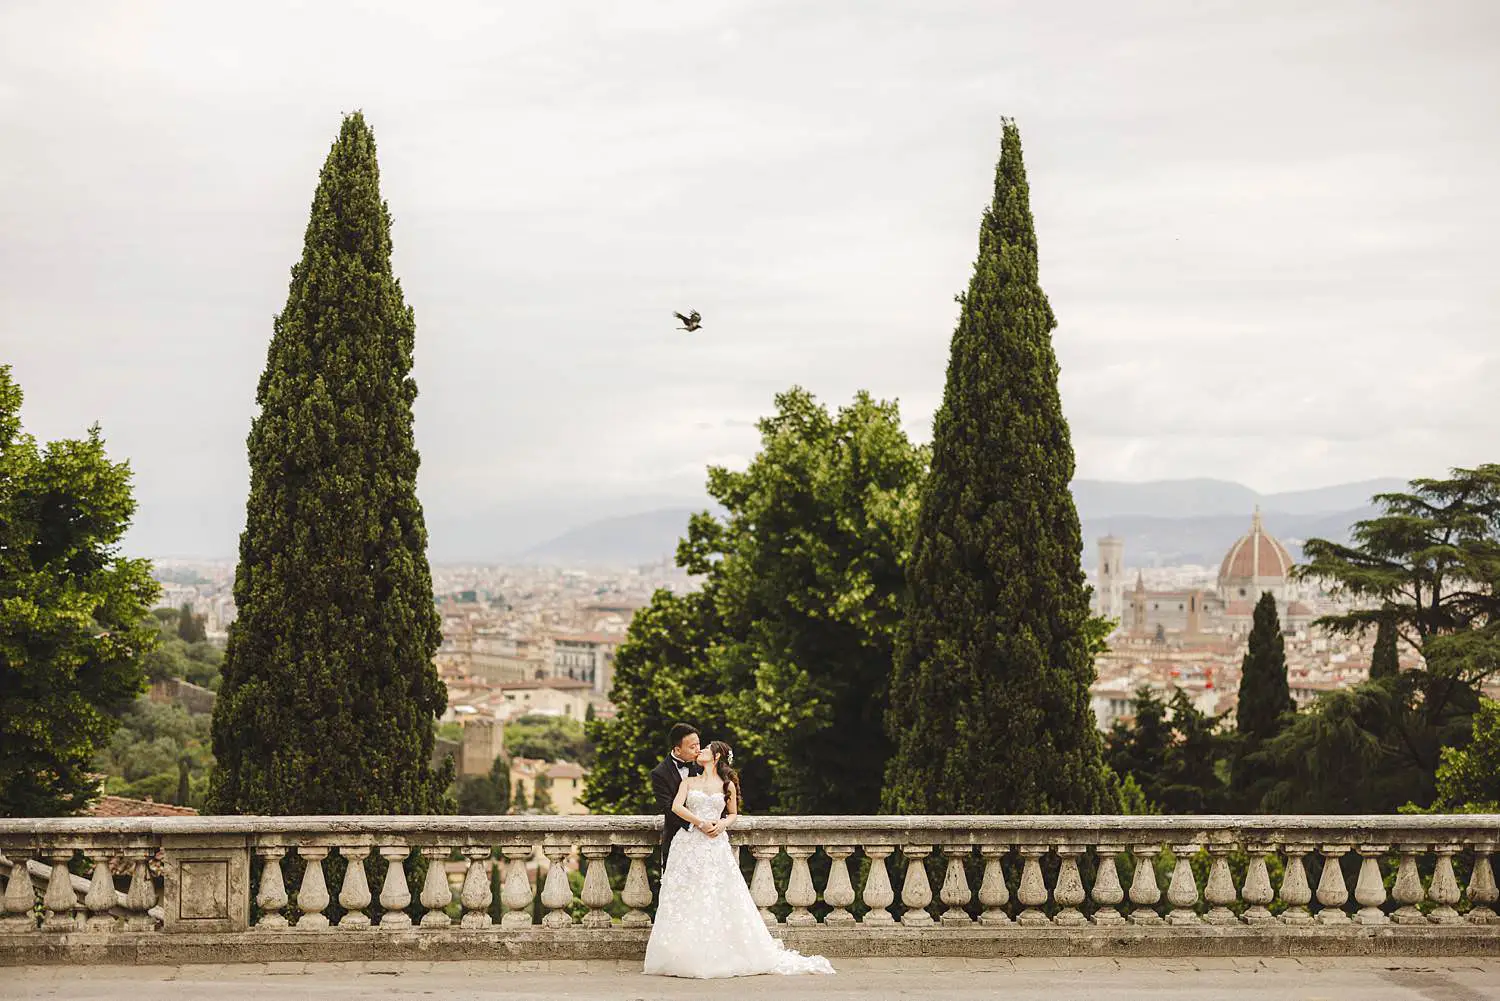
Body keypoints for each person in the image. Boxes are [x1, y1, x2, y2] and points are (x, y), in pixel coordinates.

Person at [643, 739, 835, 978]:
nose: (700, 750)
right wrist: (701, 823)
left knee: (716, 894)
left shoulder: (727, 785)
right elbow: (675, 807)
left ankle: (715, 954)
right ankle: (680, 954)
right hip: (689, 844)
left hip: (715, 845)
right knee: (685, 894)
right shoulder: (688, 781)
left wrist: (721, 824)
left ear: (716, 757)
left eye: (705, 749)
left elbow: (733, 813)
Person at [649, 723, 701, 868]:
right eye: (692, 747)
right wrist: (697, 824)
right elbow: (667, 807)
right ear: (677, 750)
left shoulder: (704, 764)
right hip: (677, 837)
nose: (698, 750)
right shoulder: (659, 773)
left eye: (698, 744)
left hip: (707, 839)